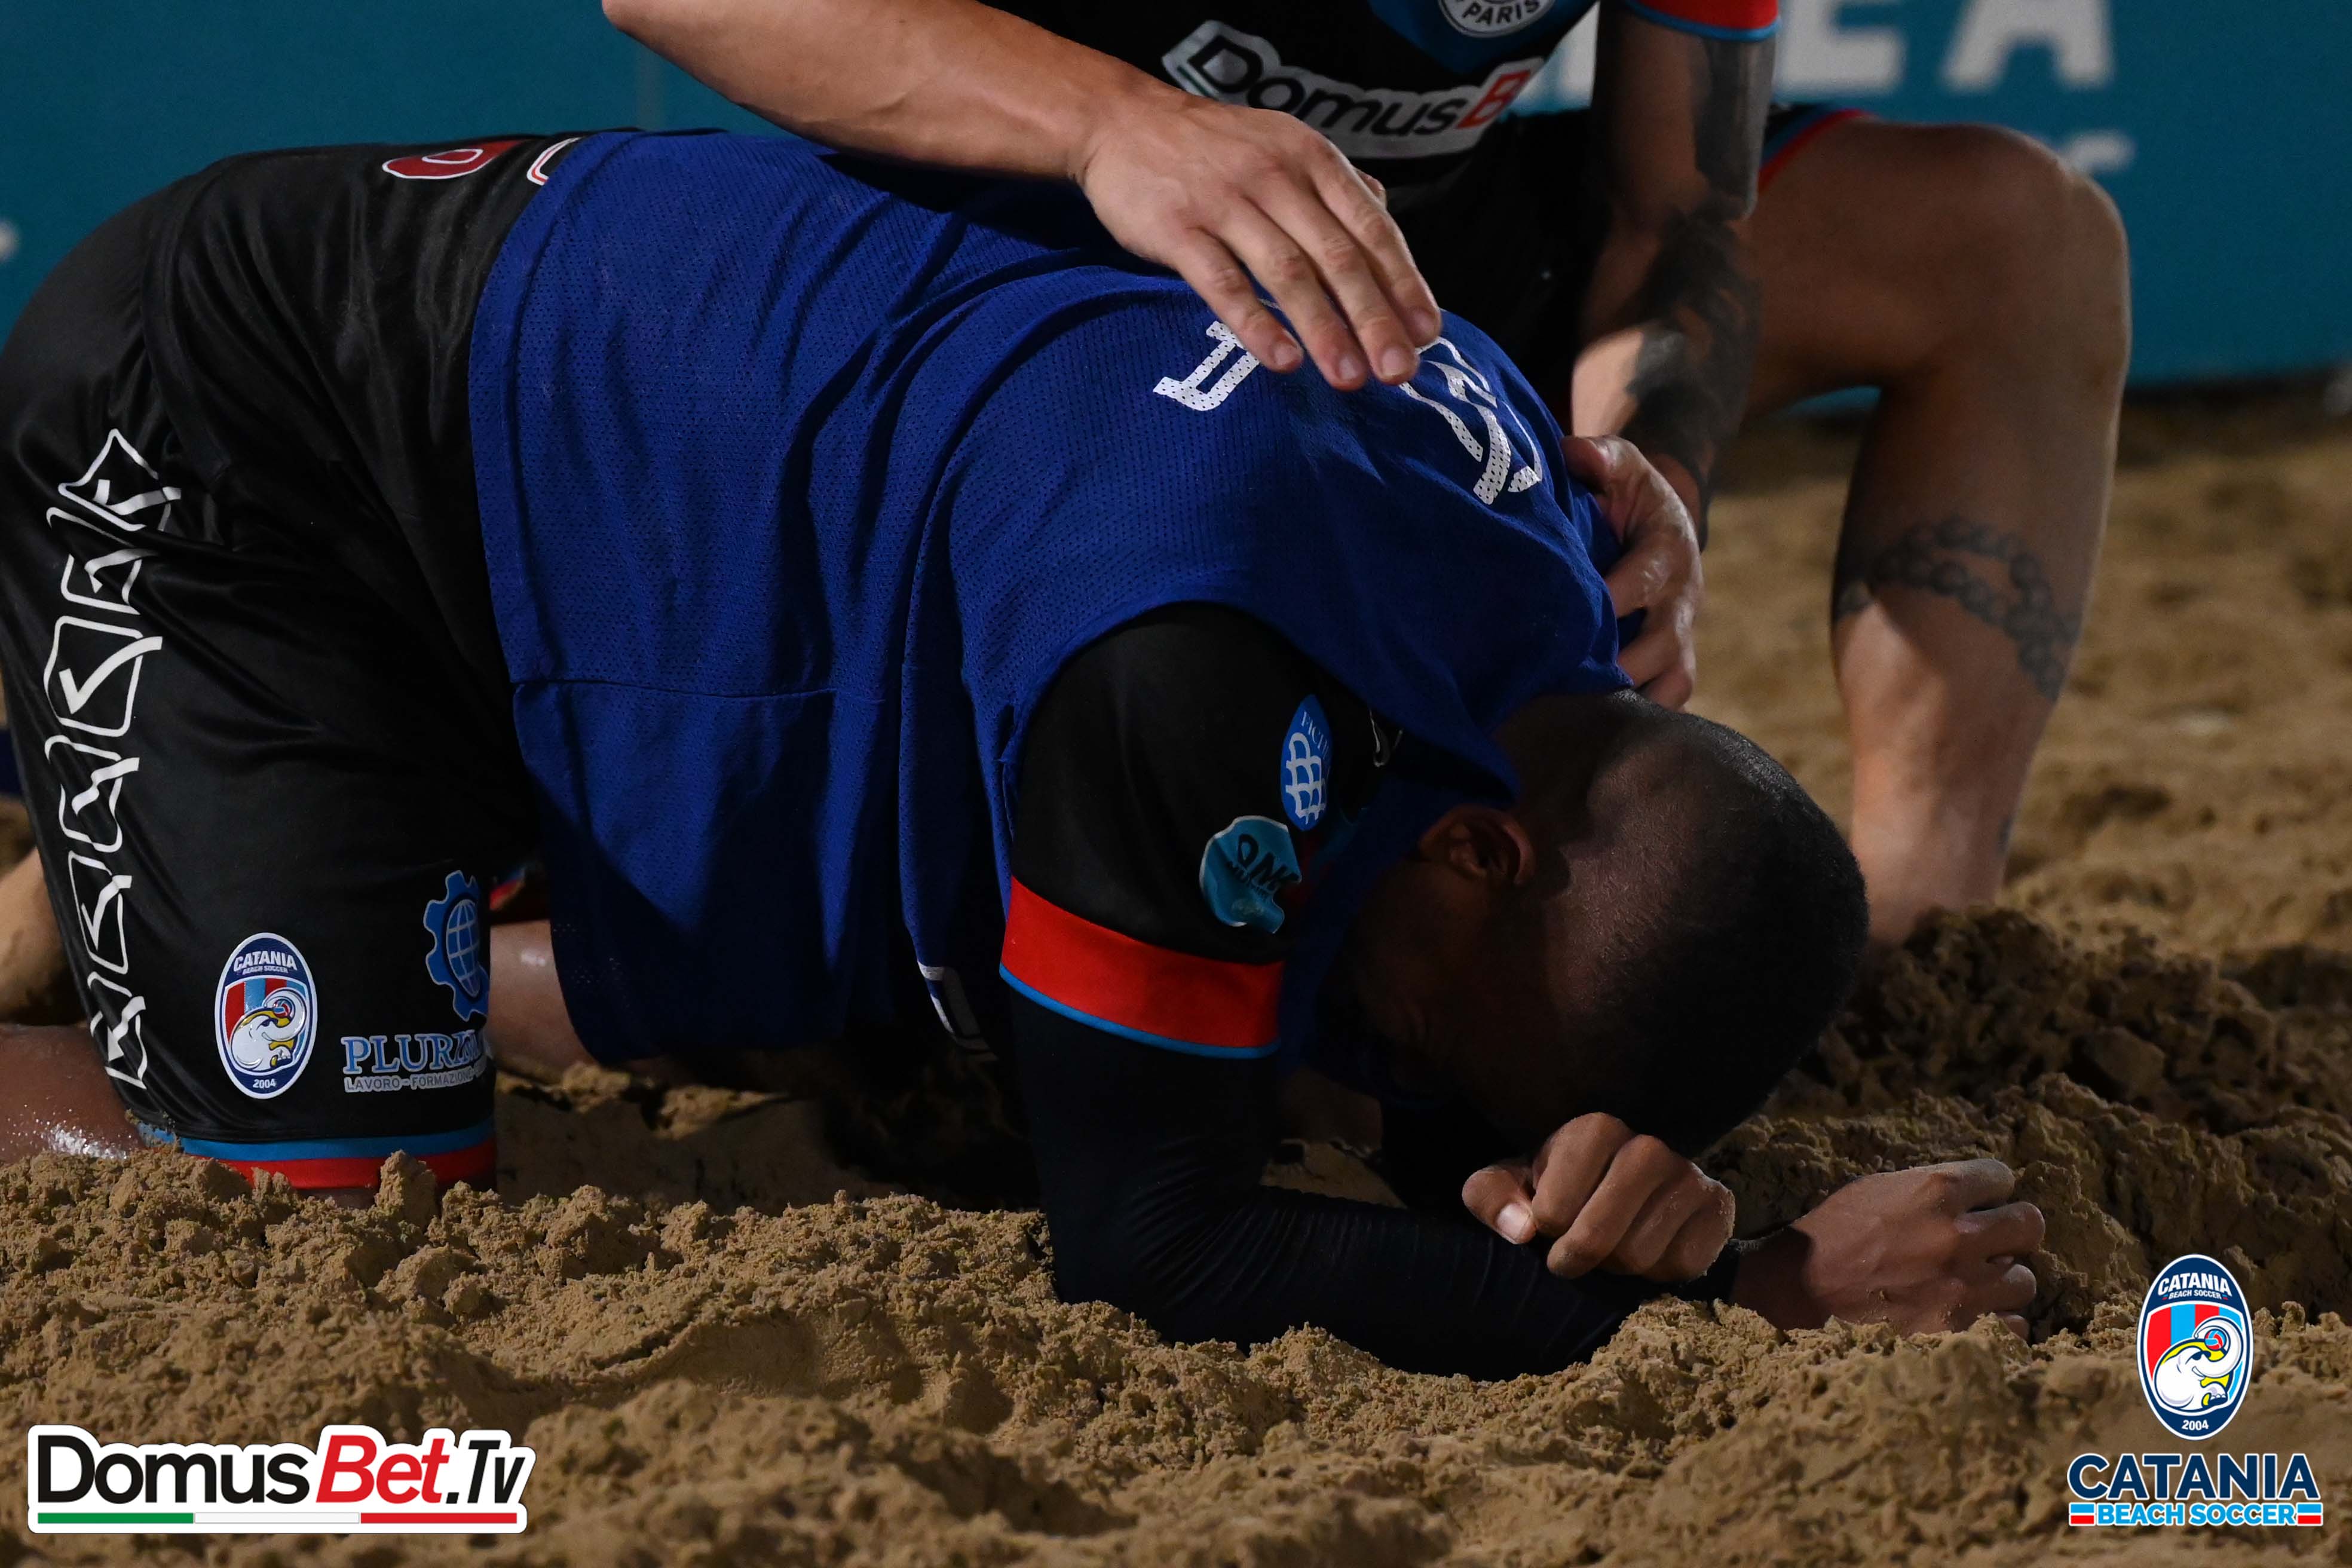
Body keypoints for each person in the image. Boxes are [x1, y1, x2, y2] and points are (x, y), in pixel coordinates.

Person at [0, 131, 2040, 1376]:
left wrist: (1540, 1174)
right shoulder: (1199, 676)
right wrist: (1734, 1295)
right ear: (1479, 852)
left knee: (966, 1028)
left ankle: (143, 892)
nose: (1387, 1078)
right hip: (257, 450)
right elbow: (1157, 1249)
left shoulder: (1565, 561)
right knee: (343, 1209)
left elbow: (1387, 1101)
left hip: (647, 582)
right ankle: (179, 887)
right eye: (1427, 1044)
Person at [607, 0, 2132, 945]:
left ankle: (1914, 946)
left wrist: (1636, 469)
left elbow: (1676, 215)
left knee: (2017, 237)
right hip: (1021, 262)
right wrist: (1113, 126)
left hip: (1401, 263)